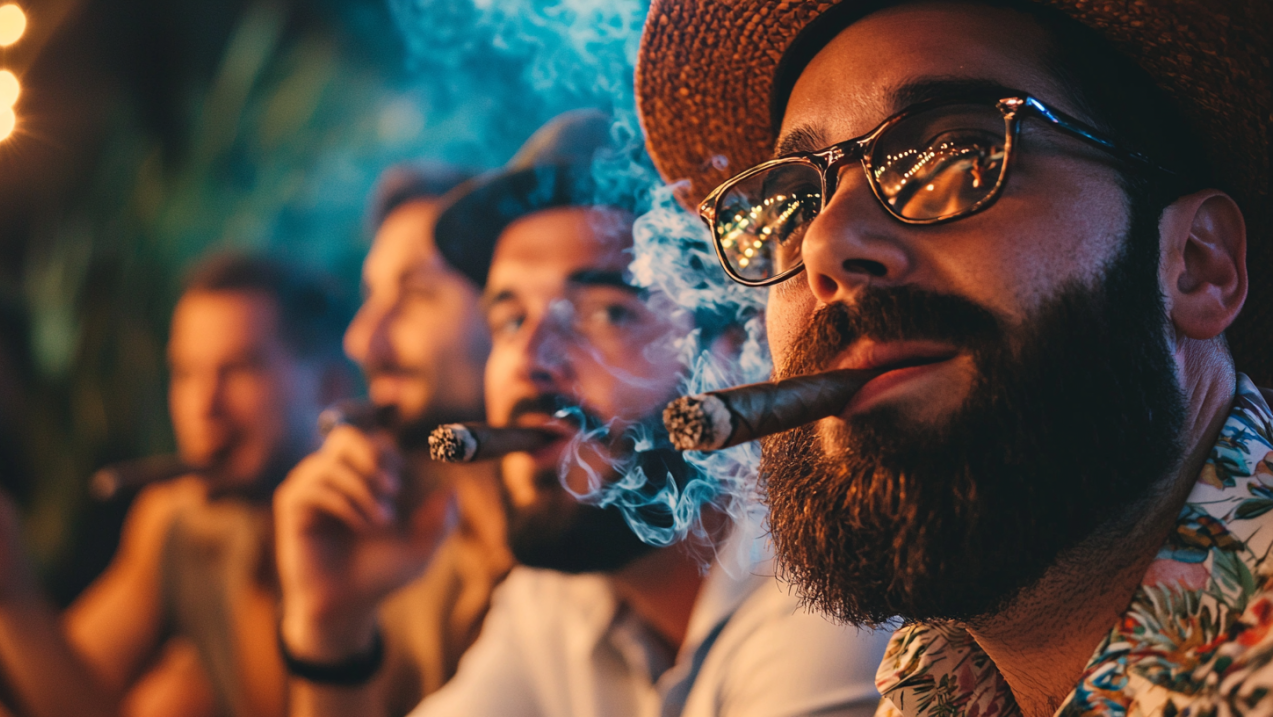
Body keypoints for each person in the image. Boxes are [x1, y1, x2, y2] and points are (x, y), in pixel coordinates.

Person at [634, 1, 1271, 715]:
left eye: (953, 155)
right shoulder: (930, 687)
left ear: (1195, 265)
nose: (823, 244)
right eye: (788, 208)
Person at [275, 109, 890, 717]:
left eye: (605, 311)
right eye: (510, 319)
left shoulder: (830, 594)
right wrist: (333, 630)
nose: (529, 361)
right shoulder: (555, 599)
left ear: (731, 353)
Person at [0, 254, 351, 717]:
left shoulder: (384, 542)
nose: (203, 405)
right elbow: (71, 704)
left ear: (328, 387)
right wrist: (10, 585)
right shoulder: (177, 520)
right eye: (185, 373)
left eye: (239, 368)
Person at [280, 162, 514, 715]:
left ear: (509, 308)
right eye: (370, 295)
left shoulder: (606, 540)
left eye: (415, 293)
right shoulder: (398, 561)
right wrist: (330, 624)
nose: (363, 340)